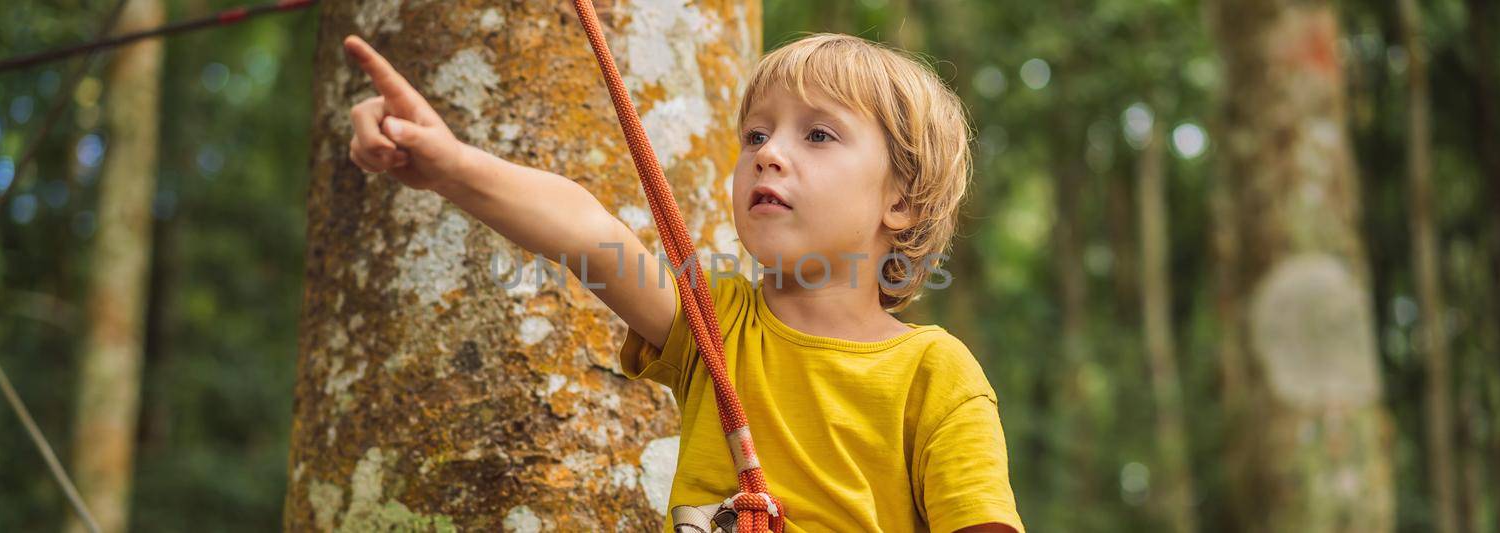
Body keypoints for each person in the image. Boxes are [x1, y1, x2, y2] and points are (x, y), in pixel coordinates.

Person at [343, 31, 1021, 533]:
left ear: (899, 200)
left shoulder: (937, 373)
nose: (770, 155)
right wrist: (449, 165)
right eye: (755, 136)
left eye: (818, 135)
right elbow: (588, 233)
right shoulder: (714, 326)